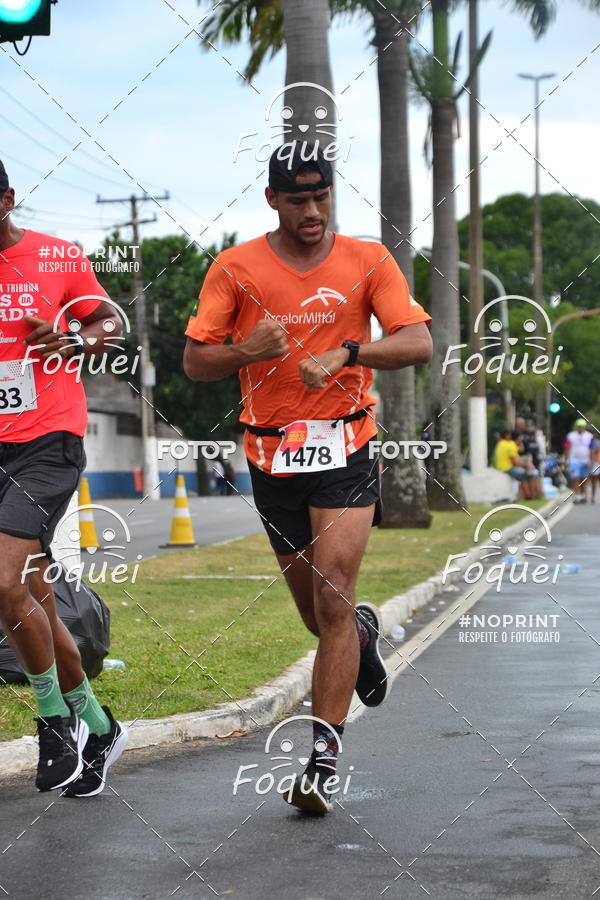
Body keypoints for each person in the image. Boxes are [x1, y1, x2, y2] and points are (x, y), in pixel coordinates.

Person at [184, 144, 432, 815]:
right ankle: (363, 633)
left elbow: (418, 343)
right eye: (298, 199)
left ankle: (322, 759)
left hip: (347, 443)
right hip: (272, 458)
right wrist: (245, 350)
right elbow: (194, 360)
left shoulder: (367, 260)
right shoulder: (235, 268)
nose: (313, 209)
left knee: (332, 599)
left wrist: (351, 351)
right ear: (273, 200)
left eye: (321, 195)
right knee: (318, 617)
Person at [0, 161, 127, 795]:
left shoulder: (55, 257)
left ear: (7, 199)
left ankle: (50, 718)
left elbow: (111, 326)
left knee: (3, 583)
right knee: (35, 604)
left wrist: (73, 337)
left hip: (48, 441)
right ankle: (99, 727)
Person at [494, 429, 536, 499]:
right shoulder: (510, 444)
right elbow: (515, 461)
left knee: (524, 475)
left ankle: (528, 496)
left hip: (501, 467)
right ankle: (530, 497)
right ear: (506, 436)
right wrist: (526, 466)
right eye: (509, 434)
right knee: (529, 475)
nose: (511, 436)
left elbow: (519, 450)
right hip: (508, 468)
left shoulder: (501, 443)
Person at [565, 418, 594, 504]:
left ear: (584, 427)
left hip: (585, 461)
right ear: (576, 427)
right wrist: (566, 460)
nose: (580, 428)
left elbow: (592, 449)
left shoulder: (589, 436)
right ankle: (577, 496)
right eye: (578, 426)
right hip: (574, 460)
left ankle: (583, 495)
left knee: (584, 479)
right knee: (575, 478)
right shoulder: (570, 435)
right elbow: (566, 447)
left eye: (581, 427)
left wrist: (591, 460)